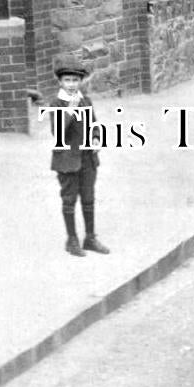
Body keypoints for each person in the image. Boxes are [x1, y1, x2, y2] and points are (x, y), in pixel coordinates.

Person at [48, 58, 109, 257]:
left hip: (86, 159)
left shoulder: (85, 100)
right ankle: (71, 240)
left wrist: (97, 138)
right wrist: (70, 111)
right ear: (60, 82)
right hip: (66, 160)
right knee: (69, 199)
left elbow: (94, 124)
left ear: (80, 81)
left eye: (75, 80)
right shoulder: (56, 103)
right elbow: (57, 132)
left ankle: (90, 238)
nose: (72, 84)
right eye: (67, 80)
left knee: (89, 198)